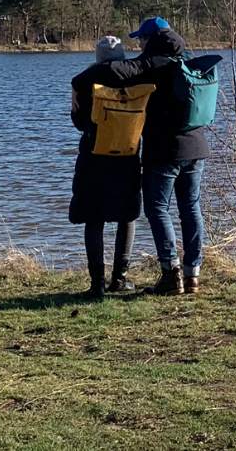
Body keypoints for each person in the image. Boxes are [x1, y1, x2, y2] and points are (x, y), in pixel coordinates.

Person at [105, 17, 212, 295]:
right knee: (190, 208)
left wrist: (101, 65)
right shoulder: (188, 58)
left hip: (164, 150)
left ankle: (170, 273)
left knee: (157, 209)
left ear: (150, 38)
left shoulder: (154, 61)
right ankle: (193, 275)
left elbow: (121, 71)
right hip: (196, 146)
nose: (138, 44)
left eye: (140, 39)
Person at [67, 36, 151, 300]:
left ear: (98, 57)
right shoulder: (139, 77)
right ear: (122, 55)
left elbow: (79, 122)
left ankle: (96, 284)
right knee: (128, 215)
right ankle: (120, 278)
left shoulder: (81, 80)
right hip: (127, 155)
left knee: (94, 218)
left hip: (93, 157)